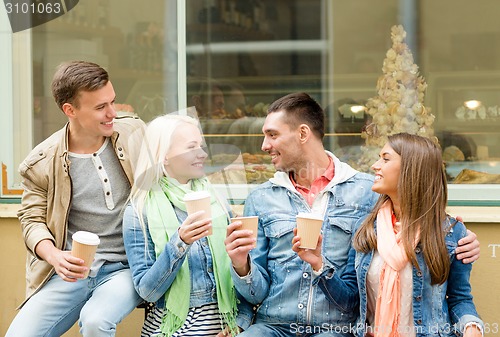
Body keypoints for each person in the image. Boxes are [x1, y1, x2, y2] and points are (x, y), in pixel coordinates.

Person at [223, 92, 481, 337]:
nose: (264, 145)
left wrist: (460, 237)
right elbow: (254, 295)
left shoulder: (366, 193)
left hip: (335, 327)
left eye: (272, 134)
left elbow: (419, 207)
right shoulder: (261, 198)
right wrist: (241, 265)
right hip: (275, 325)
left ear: (303, 133)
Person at [6, 60, 145, 337]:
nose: (112, 113)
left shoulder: (135, 133)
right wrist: (55, 256)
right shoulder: (40, 162)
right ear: (70, 110)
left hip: (126, 268)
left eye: (113, 102)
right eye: (100, 107)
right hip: (70, 272)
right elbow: (32, 220)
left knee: (95, 322)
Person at [350, 133, 483, 337]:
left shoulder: (451, 232)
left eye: (385, 159)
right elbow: (349, 298)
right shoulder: (366, 228)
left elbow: (459, 299)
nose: (375, 166)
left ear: (412, 169)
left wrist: (472, 328)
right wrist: (318, 266)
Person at [123, 114, 243, 337]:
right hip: (173, 328)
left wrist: (241, 322)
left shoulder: (216, 198)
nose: (203, 154)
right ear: (164, 156)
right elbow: (147, 291)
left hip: (228, 324)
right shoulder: (139, 211)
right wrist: (180, 242)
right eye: (191, 147)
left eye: (201, 145)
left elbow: (241, 276)